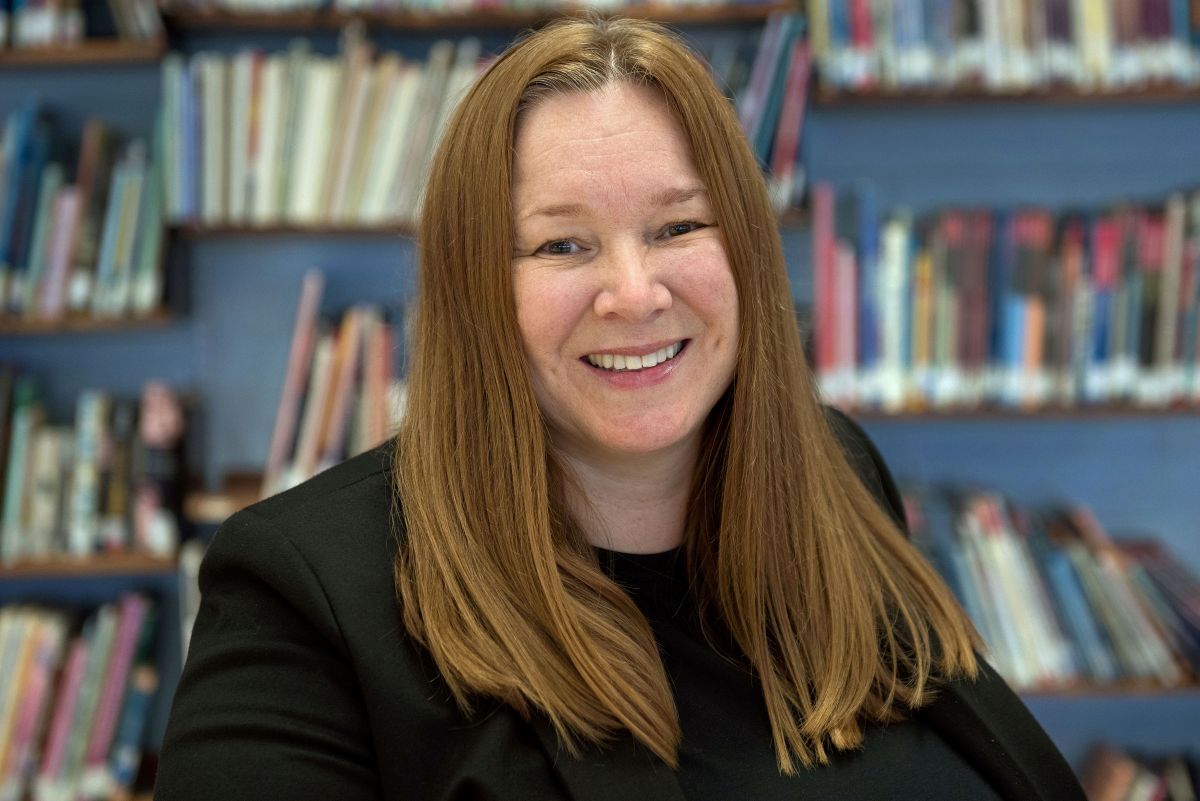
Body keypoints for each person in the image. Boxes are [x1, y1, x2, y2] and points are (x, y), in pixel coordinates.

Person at [155, 16, 1087, 801]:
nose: (634, 293)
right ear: (477, 286)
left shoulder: (835, 467)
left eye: (679, 226)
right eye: (563, 245)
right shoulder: (304, 596)